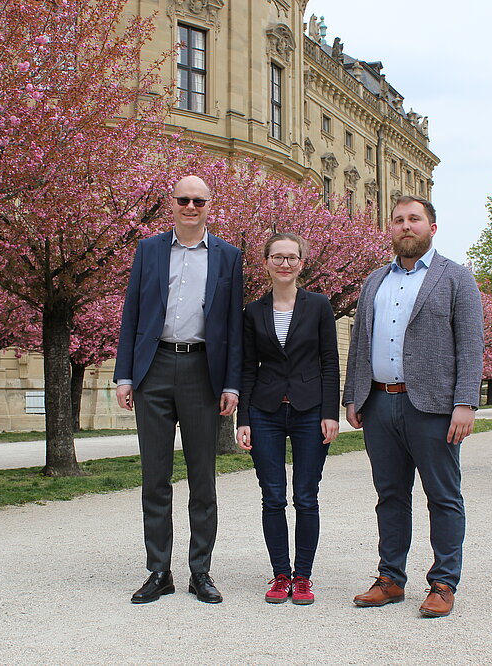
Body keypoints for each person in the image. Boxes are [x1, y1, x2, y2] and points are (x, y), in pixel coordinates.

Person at [343, 195, 483, 618]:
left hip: (435, 407)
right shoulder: (373, 282)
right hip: (379, 404)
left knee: (443, 496)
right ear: (391, 229)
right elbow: (359, 343)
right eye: (399, 220)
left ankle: (443, 582)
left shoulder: (456, 278)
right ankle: (390, 579)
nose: (406, 226)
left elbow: (471, 344)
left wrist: (465, 403)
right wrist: (353, 394)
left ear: (432, 228)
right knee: (389, 496)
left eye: (414, 219)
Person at [114, 175, 243, 604]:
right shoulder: (149, 250)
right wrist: (125, 375)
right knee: (155, 478)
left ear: (210, 205)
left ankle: (200, 572)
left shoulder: (229, 256)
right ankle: (158, 571)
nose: (191, 206)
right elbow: (132, 312)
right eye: (183, 200)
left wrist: (231, 383)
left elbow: (233, 327)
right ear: (172, 204)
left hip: (202, 371)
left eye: (199, 201)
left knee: (202, 478)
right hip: (154, 369)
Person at [236, 233, 340, 606]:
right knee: (273, 496)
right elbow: (247, 367)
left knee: (306, 497)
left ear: (301, 262)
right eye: (277, 257)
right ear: (265, 263)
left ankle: (304, 577)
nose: (284, 263)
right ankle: (281, 574)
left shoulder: (319, 306)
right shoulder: (253, 311)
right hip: (264, 411)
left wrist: (331, 412)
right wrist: (242, 418)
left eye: (291, 257)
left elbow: (330, 362)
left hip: (310, 410)